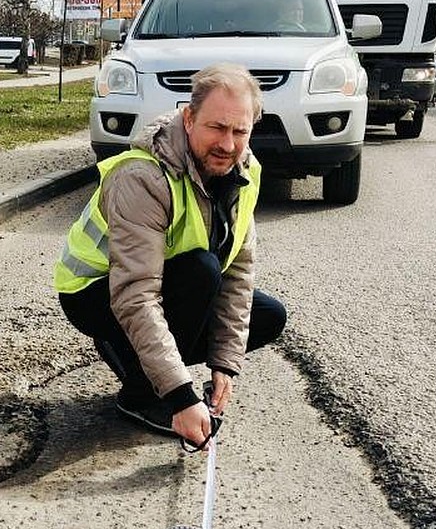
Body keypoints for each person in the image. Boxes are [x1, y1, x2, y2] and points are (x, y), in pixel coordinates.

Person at [54, 63, 287, 448]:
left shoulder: (244, 171)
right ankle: (142, 393)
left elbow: (239, 274)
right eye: (216, 127)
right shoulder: (142, 176)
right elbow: (136, 295)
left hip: (163, 285)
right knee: (202, 270)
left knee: (267, 316)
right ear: (189, 117)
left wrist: (224, 364)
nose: (227, 144)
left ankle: (143, 366)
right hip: (96, 293)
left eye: (239, 131)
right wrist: (180, 395)